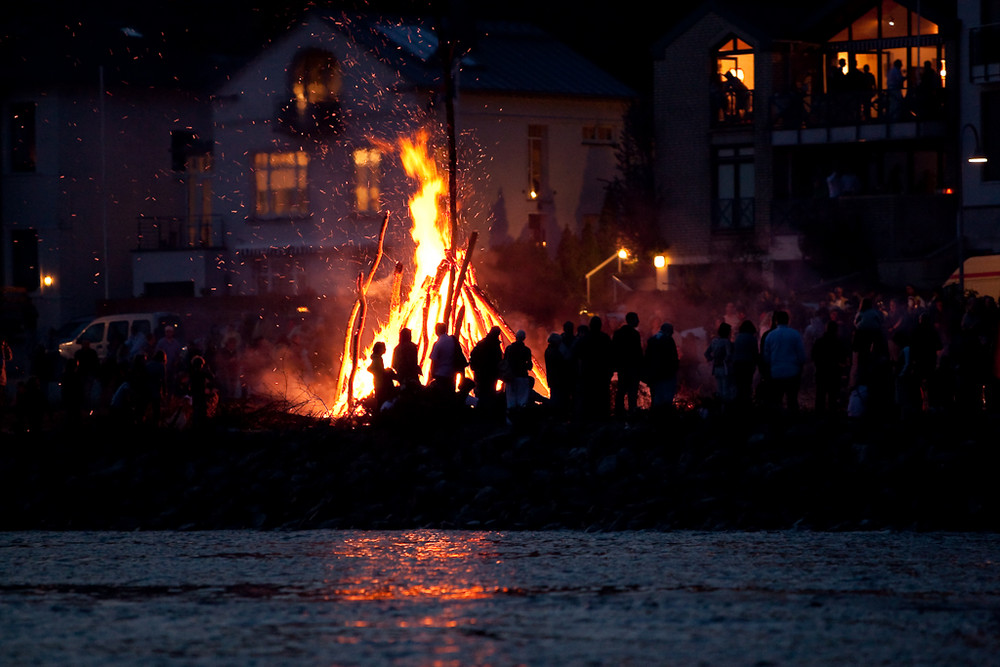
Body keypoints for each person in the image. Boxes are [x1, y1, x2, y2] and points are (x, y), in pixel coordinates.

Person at [761, 310, 806, 411]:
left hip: (776, 373)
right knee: (792, 400)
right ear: (788, 321)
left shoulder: (770, 335)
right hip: (792, 373)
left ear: (776, 321)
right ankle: (793, 423)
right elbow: (802, 355)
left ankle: (778, 423)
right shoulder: (795, 334)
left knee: (777, 401)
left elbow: (766, 357)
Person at [612, 311, 643, 419]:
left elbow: (614, 350)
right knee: (632, 392)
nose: (638, 321)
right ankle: (632, 412)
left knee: (621, 390)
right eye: (636, 319)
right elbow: (638, 352)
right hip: (632, 368)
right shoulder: (634, 334)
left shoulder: (618, 333)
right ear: (632, 320)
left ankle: (618, 412)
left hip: (622, 368)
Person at [811, 320, 846, 414]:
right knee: (833, 398)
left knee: (820, 396)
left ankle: (818, 418)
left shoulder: (819, 341)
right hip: (834, 373)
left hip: (821, 372)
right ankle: (832, 420)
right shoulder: (838, 342)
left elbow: (813, 356)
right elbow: (843, 358)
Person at [643, 322, 679, 411]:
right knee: (666, 396)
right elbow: (673, 357)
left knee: (656, 397)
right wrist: (675, 368)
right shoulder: (668, 340)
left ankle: (655, 416)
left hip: (654, 374)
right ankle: (664, 416)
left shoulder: (652, 340)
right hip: (666, 373)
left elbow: (647, 357)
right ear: (669, 331)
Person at [469, 326, 503, 414]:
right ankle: (486, 413)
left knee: (480, 392)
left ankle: (480, 412)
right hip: (490, 375)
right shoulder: (495, 346)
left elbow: (473, 355)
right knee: (489, 393)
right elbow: (498, 360)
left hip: (481, 374)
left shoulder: (482, 343)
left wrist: (474, 367)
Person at [502, 329, 533, 415]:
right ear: (524, 338)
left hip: (511, 377)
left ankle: (510, 420)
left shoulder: (509, 349)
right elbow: (529, 366)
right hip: (522, 377)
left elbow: (505, 362)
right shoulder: (526, 350)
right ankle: (520, 420)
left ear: (515, 337)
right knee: (522, 400)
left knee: (511, 400)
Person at [731, 319, 759, 412]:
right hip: (748, 365)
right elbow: (755, 352)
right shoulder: (752, 338)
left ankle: (737, 407)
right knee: (747, 386)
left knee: (739, 386)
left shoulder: (737, 337)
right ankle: (747, 407)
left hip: (737, 364)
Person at [705, 322, 734, 408]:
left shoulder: (714, 341)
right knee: (726, 390)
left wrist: (713, 360)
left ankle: (719, 408)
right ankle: (724, 410)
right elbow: (729, 355)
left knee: (719, 389)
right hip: (725, 369)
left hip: (716, 369)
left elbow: (706, 353)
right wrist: (725, 361)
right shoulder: (726, 342)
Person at [429, 323, 460, 393]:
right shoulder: (452, 340)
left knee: (441, 396)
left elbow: (434, 361)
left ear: (437, 331)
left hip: (441, 375)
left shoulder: (438, 344)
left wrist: (432, 374)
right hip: (451, 373)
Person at [367, 341, 394, 414]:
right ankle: (378, 418)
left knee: (379, 400)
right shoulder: (377, 359)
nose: (385, 349)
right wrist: (386, 372)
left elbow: (371, 368)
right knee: (380, 401)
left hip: (378, 382)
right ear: (379, 349)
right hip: (380, 383)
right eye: (383, 348)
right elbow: (374, 369)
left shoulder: (377, 358)